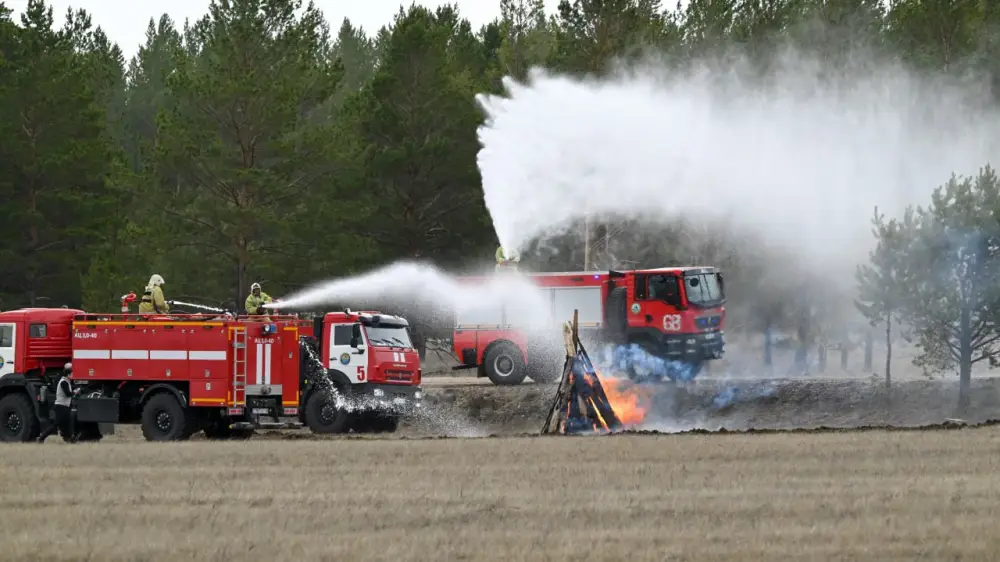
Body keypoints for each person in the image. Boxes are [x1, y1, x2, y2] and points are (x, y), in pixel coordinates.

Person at [37, 366, 78, 443]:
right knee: (56, 425)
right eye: (72, 374)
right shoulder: (63, 382)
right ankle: (41, 438)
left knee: (66, 422)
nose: (73, 375)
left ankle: (70, 438)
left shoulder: (66, 382)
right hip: (61, 406)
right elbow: (68, 394)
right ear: (68, 374)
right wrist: (75, 392)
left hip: (64, 406)